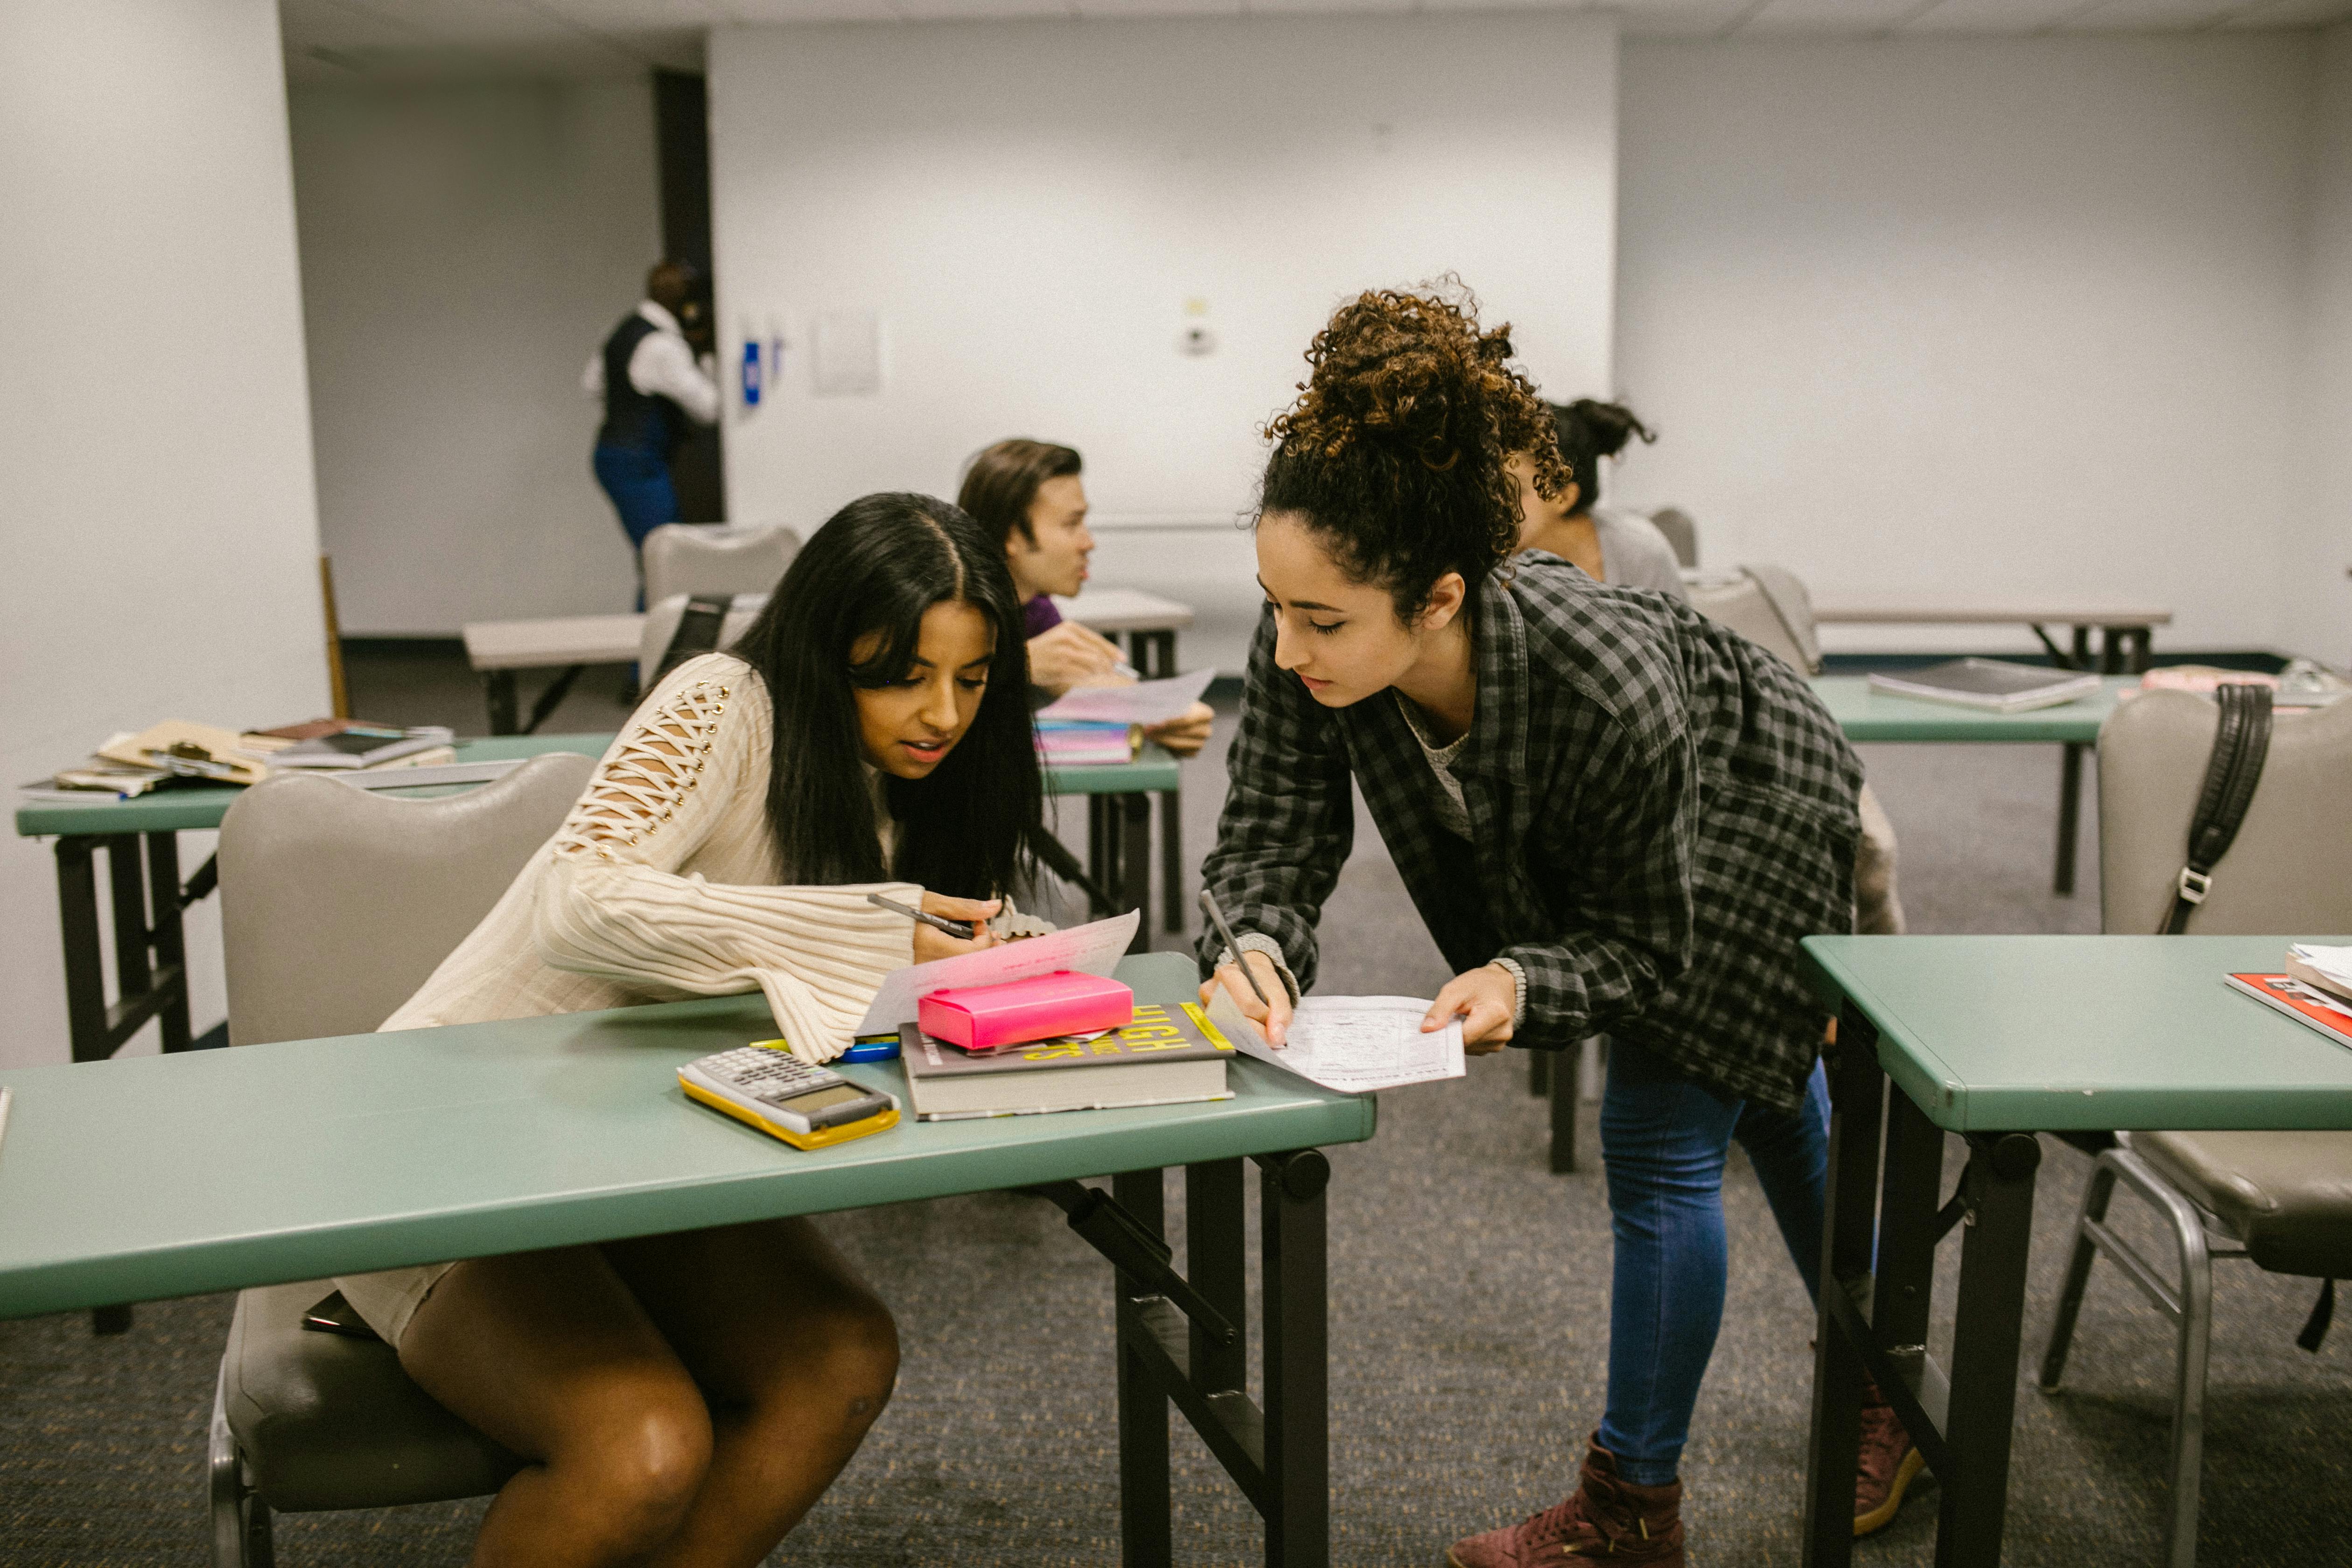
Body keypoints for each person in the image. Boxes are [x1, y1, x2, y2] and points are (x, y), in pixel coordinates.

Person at [1195, 286, 1914, 1567]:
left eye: (1324, 620)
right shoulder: (1307, 630)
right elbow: (1274, 833)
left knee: (1660, 1125)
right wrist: (1253, 942)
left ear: (1437, 600)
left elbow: (1639, 942)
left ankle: (1631, 1513)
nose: (1289, 642)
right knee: (1767, 1097)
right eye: (1277, 604)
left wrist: (1527, 981)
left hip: (1751, 809)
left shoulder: (1602, 682)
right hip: (1634, 828)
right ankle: (1890, 1383)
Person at [333, 492, 1042, 1568]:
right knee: (645, 1448)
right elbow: (579, 905)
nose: (943, 713)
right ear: (826, 650)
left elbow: (846, 988)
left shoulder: (914, 784)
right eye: (904, 675)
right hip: (449, 1150)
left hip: (630, 1156)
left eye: (972, 678)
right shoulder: (726, 702)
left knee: (839, 1363)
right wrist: (872, 934)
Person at [956, 438, 1215, 757]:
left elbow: (1082, 683)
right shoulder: (947, 607)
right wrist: (1017, 663)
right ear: (1012, 534)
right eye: (1071, 523)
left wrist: (1167, 713)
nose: (1088, 542)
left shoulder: (1034, 609)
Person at [586, 260, 724, 599]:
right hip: (638, 462)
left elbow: (591, 385)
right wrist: (708, 359)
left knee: (657, 557)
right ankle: (648, 650)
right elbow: (710, 408)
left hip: (614, 453)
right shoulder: (663, 346)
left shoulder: (623, 331)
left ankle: (648, 646)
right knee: (665, 560)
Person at [1510, 399, 1684, 597]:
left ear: (1564, 497)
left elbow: (1677, 627)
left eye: (1515, 490)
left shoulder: (1640, 551)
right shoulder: (1490, 558)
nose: (1498, 502)